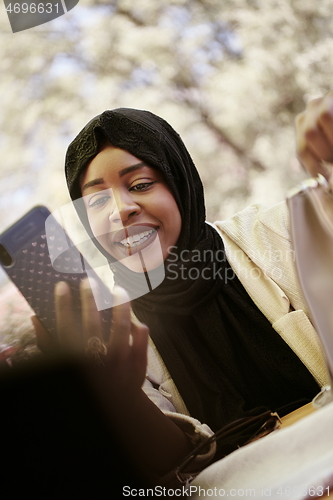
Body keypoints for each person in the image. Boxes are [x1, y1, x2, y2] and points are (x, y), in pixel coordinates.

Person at [33, 91, 333, 485]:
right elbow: (172, 473)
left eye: (140, 184)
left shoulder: (278, 234)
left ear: (181, 183)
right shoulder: (110, 329)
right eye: (96, 202)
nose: (119, 210)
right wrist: (116, 396)